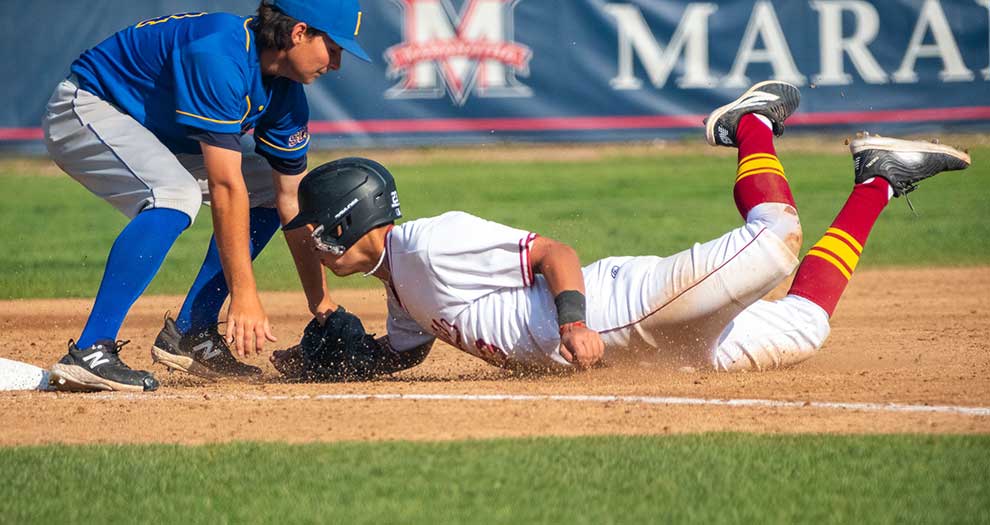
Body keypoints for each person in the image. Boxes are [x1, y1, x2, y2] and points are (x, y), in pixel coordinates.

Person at [271, 81, 971, 380]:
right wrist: (334, 361)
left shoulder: (428, 242)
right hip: (642, 350)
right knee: (804, 327)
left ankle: (748, 123)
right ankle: (878, 179)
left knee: (779, 234)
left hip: (622, 310)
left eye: (317, 232)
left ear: (345, 224)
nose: (315, 244)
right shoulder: (400, 285)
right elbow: (402, 350)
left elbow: (553, 252)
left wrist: (573, 321)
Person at [43, 0, 371, 392]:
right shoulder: (220, 52)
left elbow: (290, 200)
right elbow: (226, 185)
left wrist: (321, 305)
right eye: (333, 49)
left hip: (154, 132)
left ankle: (192, 332)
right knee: (174, 194)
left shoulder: (287, 95)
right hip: (89, 107)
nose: (336, 64)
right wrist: (244, 294)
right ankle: (90, 349)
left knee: (266, 187)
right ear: (299, 33)